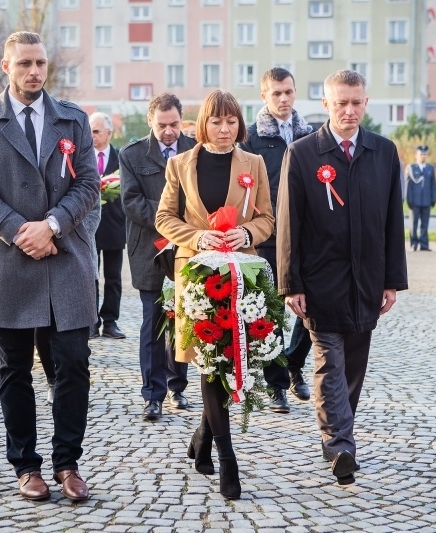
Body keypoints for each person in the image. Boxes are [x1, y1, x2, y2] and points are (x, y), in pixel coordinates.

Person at [0, 31, 100, 502]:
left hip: (64, 259)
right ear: (6, 66)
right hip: (7, 258)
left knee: (73, 363)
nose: (34, 71)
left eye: (40, 63)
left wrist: (53, 226)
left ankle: (68, 463)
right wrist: (24, 230)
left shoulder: (73, 120)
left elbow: (88, 185)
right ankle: (26, 465)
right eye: (24, 64)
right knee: (14, 367)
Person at [276, 70, 408, 485]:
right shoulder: (302, 154)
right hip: (320, 283)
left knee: (353, 368)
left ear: (366, 103)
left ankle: (337, 433)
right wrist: (290, 283)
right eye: (340, 103)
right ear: (326, 105)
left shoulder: (384, 152)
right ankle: (340, 446)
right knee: (329, 364)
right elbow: (289, 224)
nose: (349, 111)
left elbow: (393, 222)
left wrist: (392, 280)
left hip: (366, 282)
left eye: (356, 102)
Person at [155, 89, 273, 500]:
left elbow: (267, 218)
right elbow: (164, 217)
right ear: (202, 123)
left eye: (232, 122)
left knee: (231, 357)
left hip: (241, 275)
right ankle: (228, 458)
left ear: (240, 124)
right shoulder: (180, 164)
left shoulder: (253, 164)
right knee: (209, 363)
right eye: (216, 122)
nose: (225, 130)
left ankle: (204, 435)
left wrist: (248, 232)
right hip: (196, 274)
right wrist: (198, 235)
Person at [238, 66, 313, 408]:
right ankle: (277, 382)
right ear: (264, 96)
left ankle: (294, 363)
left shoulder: (311, 135)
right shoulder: (251, 138)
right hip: (268, 237)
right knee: (270, 312)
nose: (283, 99)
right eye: (276, 93)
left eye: (288, 92)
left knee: (312, 307)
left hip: (307, 235)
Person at [120, 93, 194, 421]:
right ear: (151, 121)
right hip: (149, 249)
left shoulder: (195, 148)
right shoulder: (132, 154)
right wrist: (171, 217)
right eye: (162, 125)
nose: (169, 131)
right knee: (153, 323)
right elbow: (131, 202)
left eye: (174, 124)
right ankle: (153, 394)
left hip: (189, 248)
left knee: (185, 317)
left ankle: (178, 385)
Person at [90, 112, 126, 340]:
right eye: (89, 131)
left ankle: (110, 321)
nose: (91, 136)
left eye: (95, 131)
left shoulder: (121, 158)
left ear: (108, 133)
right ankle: (91, 320)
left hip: (114, 225)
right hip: (89, 227)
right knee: (90, 275)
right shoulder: (81, 156)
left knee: (113, 277)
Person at [404, 145, 436, 252]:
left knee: (425, 224)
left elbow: (432, 185)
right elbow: (408, 186)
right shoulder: (411, 168)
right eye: (421, 154)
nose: (423, 156)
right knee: (413, 224)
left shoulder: (430, 168)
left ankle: (424, 244)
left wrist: (433, 199)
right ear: (416, 155)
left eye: (425, 154)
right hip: (415, 201)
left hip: (426, 201)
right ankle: (414, 244)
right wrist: (409, 200)